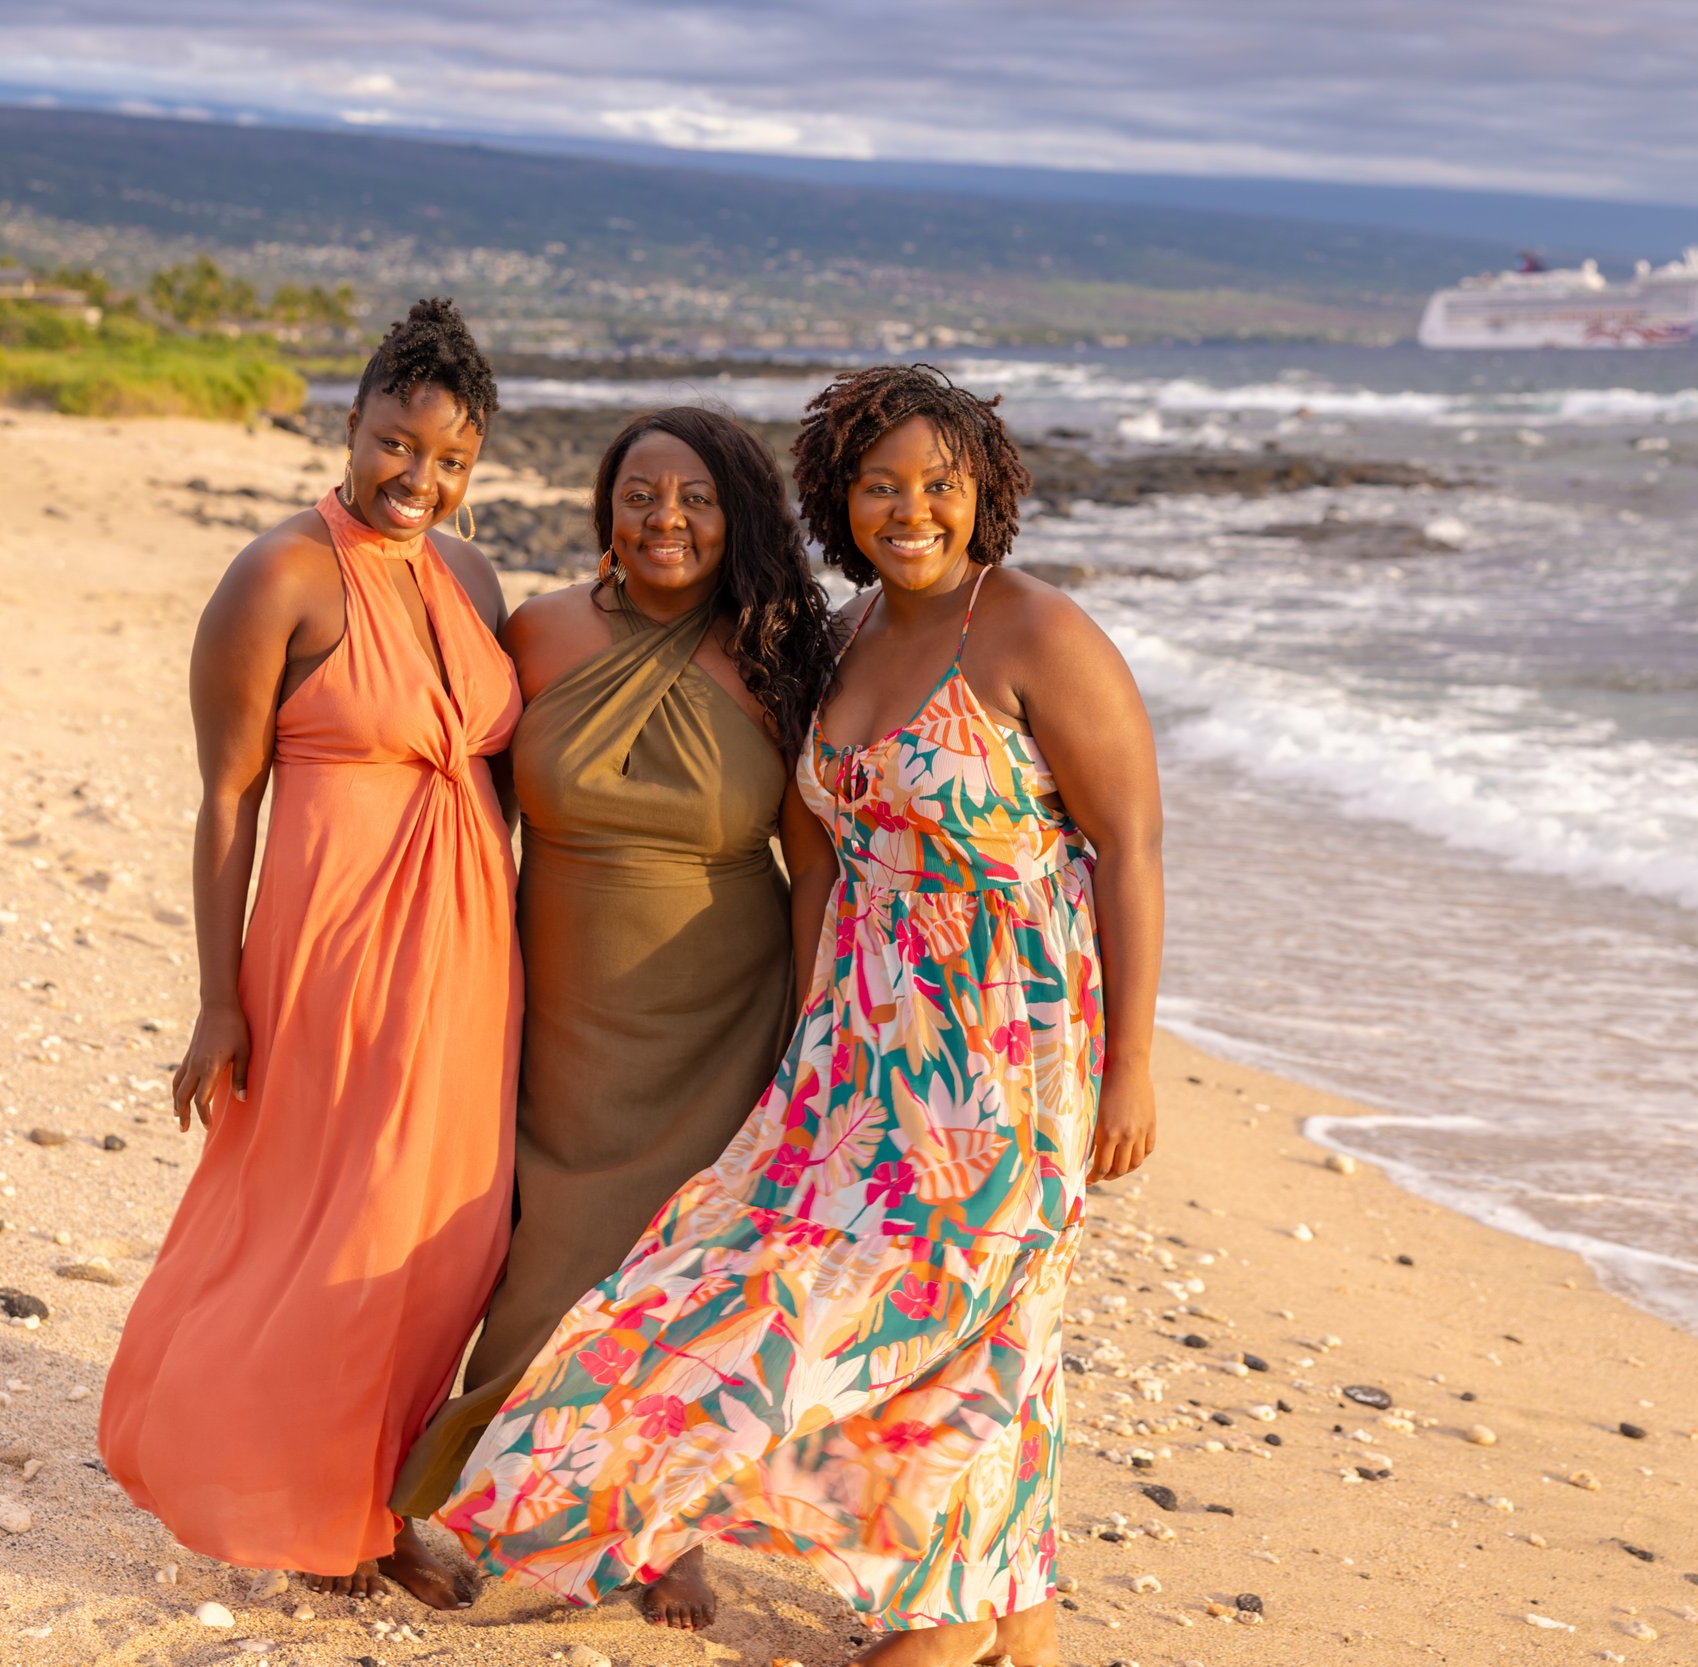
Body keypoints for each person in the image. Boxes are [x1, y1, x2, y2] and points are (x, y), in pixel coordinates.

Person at [440, 363, 1164, 1667]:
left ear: (983, 490)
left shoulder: (1042, 635)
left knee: (949, 1310)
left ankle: (944, 1621)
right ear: (837, 499)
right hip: (860, 1040)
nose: (911, 508)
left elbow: (1134, 846)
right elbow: (816, 850)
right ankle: (1014, 1605)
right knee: (801, 1284)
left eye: (939, 483)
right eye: (879, 484)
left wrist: (1133, 1073)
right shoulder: (842, 635)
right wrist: (809, 1023)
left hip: (1007, 1046)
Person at [99, 298, 520, 1609]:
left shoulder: (475, 578)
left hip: (470, 964)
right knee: (336, 1231)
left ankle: (378, 1498)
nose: (421, 479)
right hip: (335, 956)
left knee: (446, 1248)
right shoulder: (278, 575)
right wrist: (218, 1001)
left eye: (451, 460)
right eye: (399, 444)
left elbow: (502, 786)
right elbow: (227, 800)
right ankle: (304, 1498)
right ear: (351, 425)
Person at [393, 406, 842, 1630]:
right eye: (640, 495)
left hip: (721, 1007)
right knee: (530, 1259)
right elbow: (462, 810)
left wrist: (812, 1032)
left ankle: (665, 1537)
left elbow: (812, 863)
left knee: (682, 1274)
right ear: (606, 511)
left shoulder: (772, 656)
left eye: (694, 498)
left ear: (736, 513)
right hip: (553, 1003)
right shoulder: (539, 633)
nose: (666, 520)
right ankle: (456, 1482)